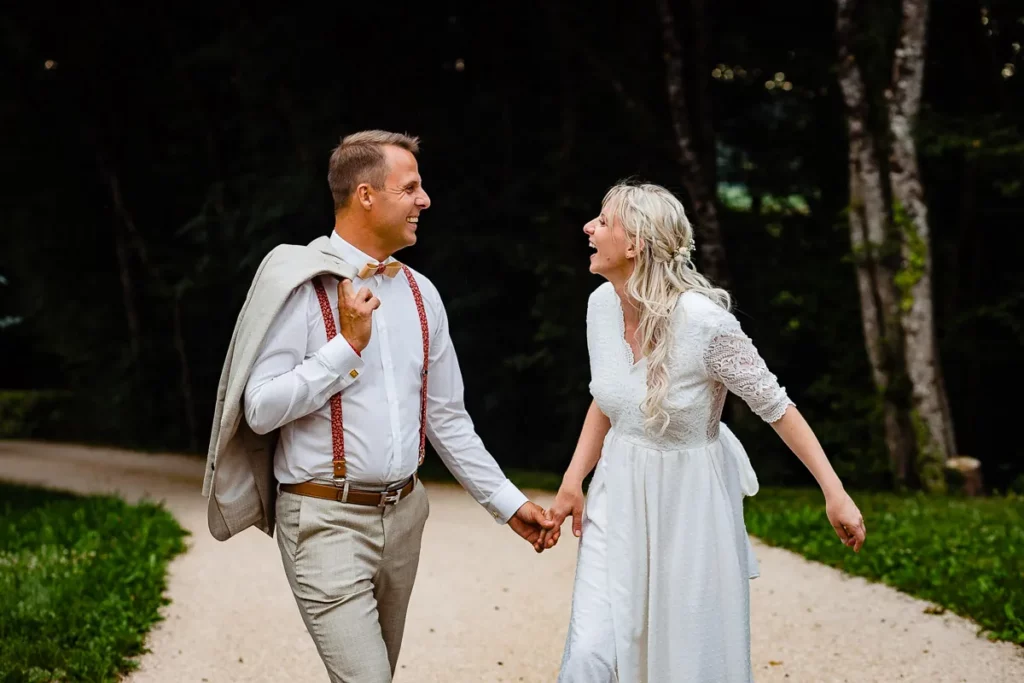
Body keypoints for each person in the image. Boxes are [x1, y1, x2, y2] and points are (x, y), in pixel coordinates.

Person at [203, 129, 555, 683]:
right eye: (410, 187)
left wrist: (509, 505)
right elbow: (259, 409)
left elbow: (446, 420)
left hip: (405, 518)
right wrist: (345, 348)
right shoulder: (299, 284)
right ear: (366, 195)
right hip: (324, 520)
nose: (425, 200)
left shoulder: (422, 294)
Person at [539, 181, 866, 682]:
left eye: (602, 221)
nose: (588, 227)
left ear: (635, 245)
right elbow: (608, 397)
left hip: (691, 504)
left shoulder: (705, 324)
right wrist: (572, 480)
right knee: (590, 654)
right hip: (617, 492)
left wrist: (835, 492)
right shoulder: (599, 307)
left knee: (686, 659)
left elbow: (777, 407)